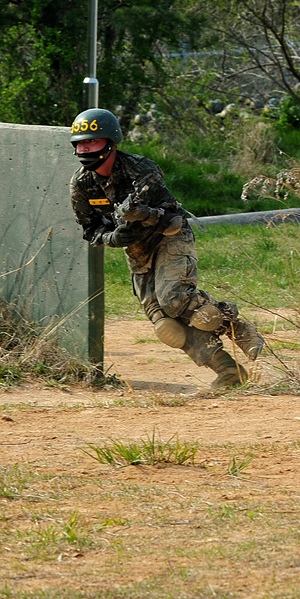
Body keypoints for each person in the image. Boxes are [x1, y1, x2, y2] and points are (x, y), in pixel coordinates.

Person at [69, 108, 264, 389]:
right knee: (167, 328)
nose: (85, 147)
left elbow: (172, 217)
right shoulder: (82, 184)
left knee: (174, 299)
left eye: (93, 141)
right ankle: (229, 372)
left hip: (168, 237)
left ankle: (236, 327)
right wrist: (113, 238)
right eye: (80, 143)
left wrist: (143, 214)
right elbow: (90, 229)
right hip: (138, 251)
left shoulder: (141, 169)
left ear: (111, 143)